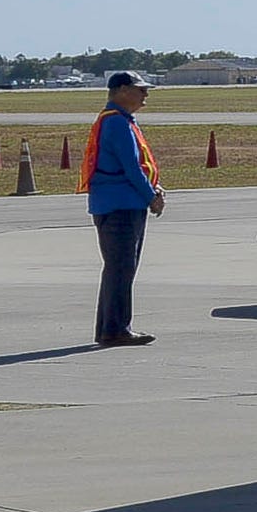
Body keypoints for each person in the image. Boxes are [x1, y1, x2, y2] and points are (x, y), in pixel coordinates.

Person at [84, 70, 166, 345]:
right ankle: (115, 329)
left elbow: (139, 164)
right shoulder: (117, 123)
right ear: (121, 91)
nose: (145, 94)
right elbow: (130, 167)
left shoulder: (120, 120)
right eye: (139, 89)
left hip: (118, 203)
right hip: (121, 205)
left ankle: (110, 327)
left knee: (117, 268)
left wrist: (154, 187)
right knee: (121, 268)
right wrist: (150, 196)